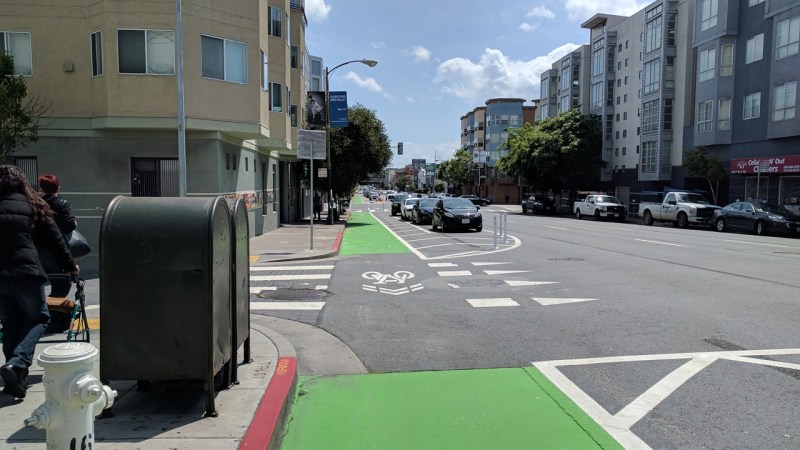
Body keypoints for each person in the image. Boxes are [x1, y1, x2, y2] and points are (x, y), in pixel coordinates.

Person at [0, 165, 80, 399]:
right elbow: (56, 240)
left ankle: (15, 380)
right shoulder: (34, 205)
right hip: (26, 272)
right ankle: (17, 362)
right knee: (39, 318)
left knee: (11, 324)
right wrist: (69, 266)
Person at [38, 173, 77, 298]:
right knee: (61, 287)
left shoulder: (36, 205)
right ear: (58, 187)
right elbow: (69, 225)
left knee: (37, 289)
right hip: (58, 253)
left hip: (38, 252)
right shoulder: (63, 204)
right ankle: (53, 314)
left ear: (41, 189)